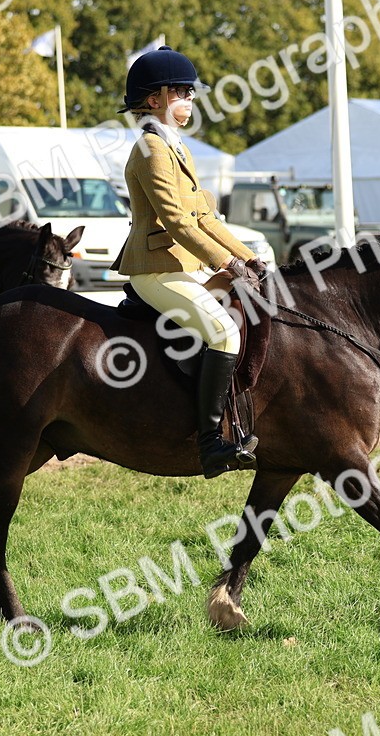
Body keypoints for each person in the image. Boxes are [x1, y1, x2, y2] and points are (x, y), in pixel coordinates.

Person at [111, 46, 267, 478]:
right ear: (155, 98)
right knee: (224, 335)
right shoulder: (151, 150)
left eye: (190, 91)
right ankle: (211, 442)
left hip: (183, 267)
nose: (190, 98)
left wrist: (249, 257)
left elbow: (204, 216)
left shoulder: (174, 146)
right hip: (157, 269)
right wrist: (227, 264)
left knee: (251, 307)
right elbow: (178, 222)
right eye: (182, 90)